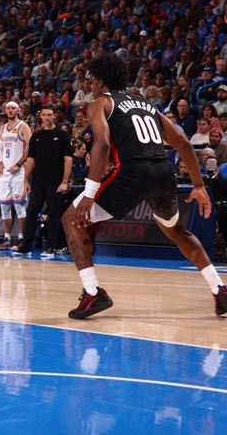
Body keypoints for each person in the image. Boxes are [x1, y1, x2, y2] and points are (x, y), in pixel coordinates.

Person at [61, 53, 226, 319]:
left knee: (71, 219)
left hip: (132, 173)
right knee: (177, 231)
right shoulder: (145, 104)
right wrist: (198, 185)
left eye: (92, 80)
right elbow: (182, 141)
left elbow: (101, 144)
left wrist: (89, 193)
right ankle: (219, 288)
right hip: (162, 170)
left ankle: (93, 293)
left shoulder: (100, 103)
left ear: (101, 81)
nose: (90, 85)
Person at [13, 105, 73, 256]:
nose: (47, 117)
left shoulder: (63, 135)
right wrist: (26, 180)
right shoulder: (36, 136)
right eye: (44, 115)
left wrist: (64, 181)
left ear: (54, 116)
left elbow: (68, 160)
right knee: (31, 212)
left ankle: (50, 247)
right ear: (40, 116)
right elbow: (30, 160)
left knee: (53, 213)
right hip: (38, 181)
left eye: (50, 115)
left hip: (55, 181)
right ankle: (26, 245)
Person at [0, 101, 31, 249]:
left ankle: (21, 238)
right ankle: (7, 238)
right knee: (4, 206)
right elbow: (0, 147)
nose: (10, 110)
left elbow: (30, 147)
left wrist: (19, 164)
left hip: (19, 172)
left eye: (13, 108)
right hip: (5, 173)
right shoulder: (2, 127)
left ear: (18, 110)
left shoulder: (22, 126)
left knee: (19, 205)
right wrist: (0, 162)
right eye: (8, 108)